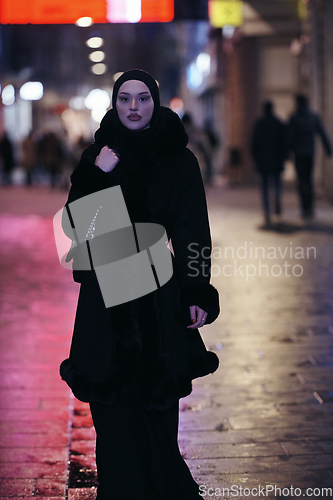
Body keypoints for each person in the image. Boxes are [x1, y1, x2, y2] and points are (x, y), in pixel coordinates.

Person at [59, 69, 220, 499]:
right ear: (115, 103)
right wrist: (98, 175)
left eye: (143, 98)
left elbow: (192, 231)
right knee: (111, 415)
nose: (134, 107)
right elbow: (77, 228)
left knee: (157, 410)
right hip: (104, 300)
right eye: (126, 99)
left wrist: (196, 290)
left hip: (156, 296)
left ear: (156, 102)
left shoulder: (179, 159)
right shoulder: (98, 155)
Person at [288, 94, 332, 219]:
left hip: (298, 154)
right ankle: (310, 208)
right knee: (309, 179)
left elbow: (289, 138)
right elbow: (323, 133)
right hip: (310, 153)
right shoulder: (313, 117)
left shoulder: (294, 118)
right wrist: (329, 150)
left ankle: (304, 208)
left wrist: (288, 153)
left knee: (302, 181)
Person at [251, 101, 287, 228]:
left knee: (265, 187)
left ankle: (267, 213)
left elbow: (254, 144)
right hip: (277, 160)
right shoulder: (279, 123)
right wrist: (284, 157)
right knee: (277, 183)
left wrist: (255, 159)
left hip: (264, 161)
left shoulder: (260, 124)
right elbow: (284, 143)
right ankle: (277, 197)